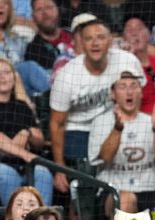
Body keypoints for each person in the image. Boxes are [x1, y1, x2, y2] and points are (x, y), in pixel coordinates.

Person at [49, 18, 144, 193]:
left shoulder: (127, 61)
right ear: (81, 44)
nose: (95, 43)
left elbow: (138, 96)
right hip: (78, 129)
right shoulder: (67, 75)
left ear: (110, 41)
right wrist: (59, 168)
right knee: (84, 182)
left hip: (115, 121)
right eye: (88, 38)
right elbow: (57, 123)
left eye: (100, 37)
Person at [0, 58, 53, 206]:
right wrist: (24, 153)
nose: (3, 77)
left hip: (20, 164)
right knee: (7, 174)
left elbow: (39, 140)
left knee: (43, 173)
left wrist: (27, 133)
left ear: (14, 77)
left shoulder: (22, 106)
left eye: (7, 72)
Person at [88, 71, 155, 218]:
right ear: (113, 94)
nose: (129, 91)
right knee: (125, 200)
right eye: (122, 86)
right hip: (112, 190)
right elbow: (106, 157)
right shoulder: (101, 122)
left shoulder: (152, 120)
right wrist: (118, 128)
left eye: (134, 86)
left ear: (141, 92)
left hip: (148, 190)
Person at [25, 0, 75, 71]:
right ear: (33, 17)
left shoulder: (75, 35)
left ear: (57, 10)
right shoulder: (32, 51)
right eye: (39, 9)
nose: (45, 12)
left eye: (48, 7)